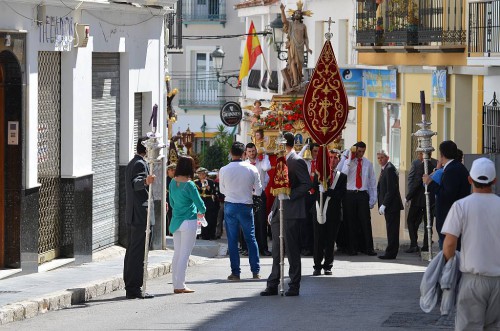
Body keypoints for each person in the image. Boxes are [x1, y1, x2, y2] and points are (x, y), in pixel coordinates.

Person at [441, 157, 500, 330]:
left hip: (472, 281)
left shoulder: (461, 206)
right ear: (494, 181)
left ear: (469, 179)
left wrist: (449, 264)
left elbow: (449, 244)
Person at [261, 132, 311, 297]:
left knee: (291, 249)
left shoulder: (296, 162)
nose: (276, 147)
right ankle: (273, 283)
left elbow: (306, 184)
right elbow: (278, 188)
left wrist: (290, 195)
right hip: (279, 211)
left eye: (278, 143)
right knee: (276, 249)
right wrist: (272, 210)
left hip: (292, 211)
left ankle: (294, 284)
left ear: (285, 144)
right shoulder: (282, 161)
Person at [219, 142, 263, 281]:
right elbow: (259, 190)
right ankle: (255, 271)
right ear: (244, 153)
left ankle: (236, 272)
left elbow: (222, 190)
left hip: (230, 204)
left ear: (231, 153)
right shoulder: (252, 168)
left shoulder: (224, 169)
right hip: (246, 205)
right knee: (250, 238)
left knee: (232, 240)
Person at [168, 155, 206, 294]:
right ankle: (180, 285)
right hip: (189, 221)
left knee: (177, 253)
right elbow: (200, 204)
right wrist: (201, 211)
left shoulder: (172, 182)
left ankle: (176, 283)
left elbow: (171, 203)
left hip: (176, 221)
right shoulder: (189, 184)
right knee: (185, 254)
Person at [124, 136, 156, 299]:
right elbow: (136, 183)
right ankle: (134, 287)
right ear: (147, 148)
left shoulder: (135, 162)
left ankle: (132, 286)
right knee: (137, 253)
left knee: (133, 252)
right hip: (139, 215)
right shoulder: (138, 163)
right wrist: (145, 181)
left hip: (136, 214)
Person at [423, 140, 470, 249]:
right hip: (454, 217)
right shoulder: (456, 167)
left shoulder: (452, 170)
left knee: (448, 253)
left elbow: (446, 195)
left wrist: (430, 183)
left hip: (449, 218)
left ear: (442, 154)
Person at [340, 141, 377, 256]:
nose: (361, 154)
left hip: (362, 194)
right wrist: (350, 158)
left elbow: (372, 181)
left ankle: (368, 247)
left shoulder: (368, 163)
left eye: (363, 151)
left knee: (365, 221)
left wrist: (373, 198)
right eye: (359, 151)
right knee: (350, 222)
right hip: (349, 194)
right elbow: (343, 173)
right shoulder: (348, 162)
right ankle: (352, 248)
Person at [313, 149, 347, 275]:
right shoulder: (319, 174)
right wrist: (318, 187)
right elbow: (313, 190)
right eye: (330, 158)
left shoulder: (342, 176)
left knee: (330, 239)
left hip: (334, 212)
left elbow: (341, 194)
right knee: (318, 239)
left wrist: (327, 191)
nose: (332, 160)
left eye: (335, 158)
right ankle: (317, 265)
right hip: (319, 210)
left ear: (339, 160)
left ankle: (328, 265)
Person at [405, 152, 437, 253]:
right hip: (431, 199)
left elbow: (417, 183)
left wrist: (408, 197)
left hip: (419, 200)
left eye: (419, 154)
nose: (418, 156)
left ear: (422, 155)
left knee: (411, 220)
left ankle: (414, 244)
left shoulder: (421, 166)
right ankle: (426, 245)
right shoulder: (434, 165)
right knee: (428, 223)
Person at [245, 142, 272, 256]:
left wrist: (264, 155)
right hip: (247, 195)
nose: (252, 153)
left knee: (261, 222)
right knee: (248, 222)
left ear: (256, 151)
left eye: (253, 151)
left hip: (259, 195)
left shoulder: (262, 161)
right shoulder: (244, 164)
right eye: (249, 151)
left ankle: (263, 248)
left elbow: (267, 170)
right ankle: (248, 248)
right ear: (246, 153)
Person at [376, 150, 404, 260]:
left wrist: (384, 204)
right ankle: (391, 251)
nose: (380, 160)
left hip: (392, 206)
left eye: (382, 157)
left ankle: (391, 252)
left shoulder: (389, 169)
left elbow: (391, 190)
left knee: (392, 230)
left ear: (387, 157)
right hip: (390, 206)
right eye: (378, 158)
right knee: (391, 229)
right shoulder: (385, 169)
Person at [280, 2, 312, 88]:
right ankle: (295, 81)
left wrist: (308, 47)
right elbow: (284, 21)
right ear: (293, 15)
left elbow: (306, 38)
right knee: (293, 63)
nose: (297, 14)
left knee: (299, 64)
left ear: (301, 16)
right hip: (293, 46)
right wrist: (282, 11)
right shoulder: (291, 24)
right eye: (296, 13)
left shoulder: (303, 26)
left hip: (300, 47)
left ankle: (299, 76)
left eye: (299, 13)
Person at [194, 167, 218, 240]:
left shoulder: (210, 182)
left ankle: (209, 234)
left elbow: (214, 192)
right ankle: (199, 234)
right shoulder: (195, 182)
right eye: (200, 174)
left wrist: (209, 188)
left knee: (209, 218)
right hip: (200, 200)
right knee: (199, 217)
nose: (202, 175)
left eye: (203, 174)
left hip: (208, 200)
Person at [166, 163, 176, 236]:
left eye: (175, 170)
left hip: (176, 200)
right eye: (172, 170)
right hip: (167, 200)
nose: (173, 172)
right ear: (168, 171)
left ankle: (173, 230)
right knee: (168, 215)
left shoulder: (177, 180)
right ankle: (167, 231)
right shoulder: (165, 180)